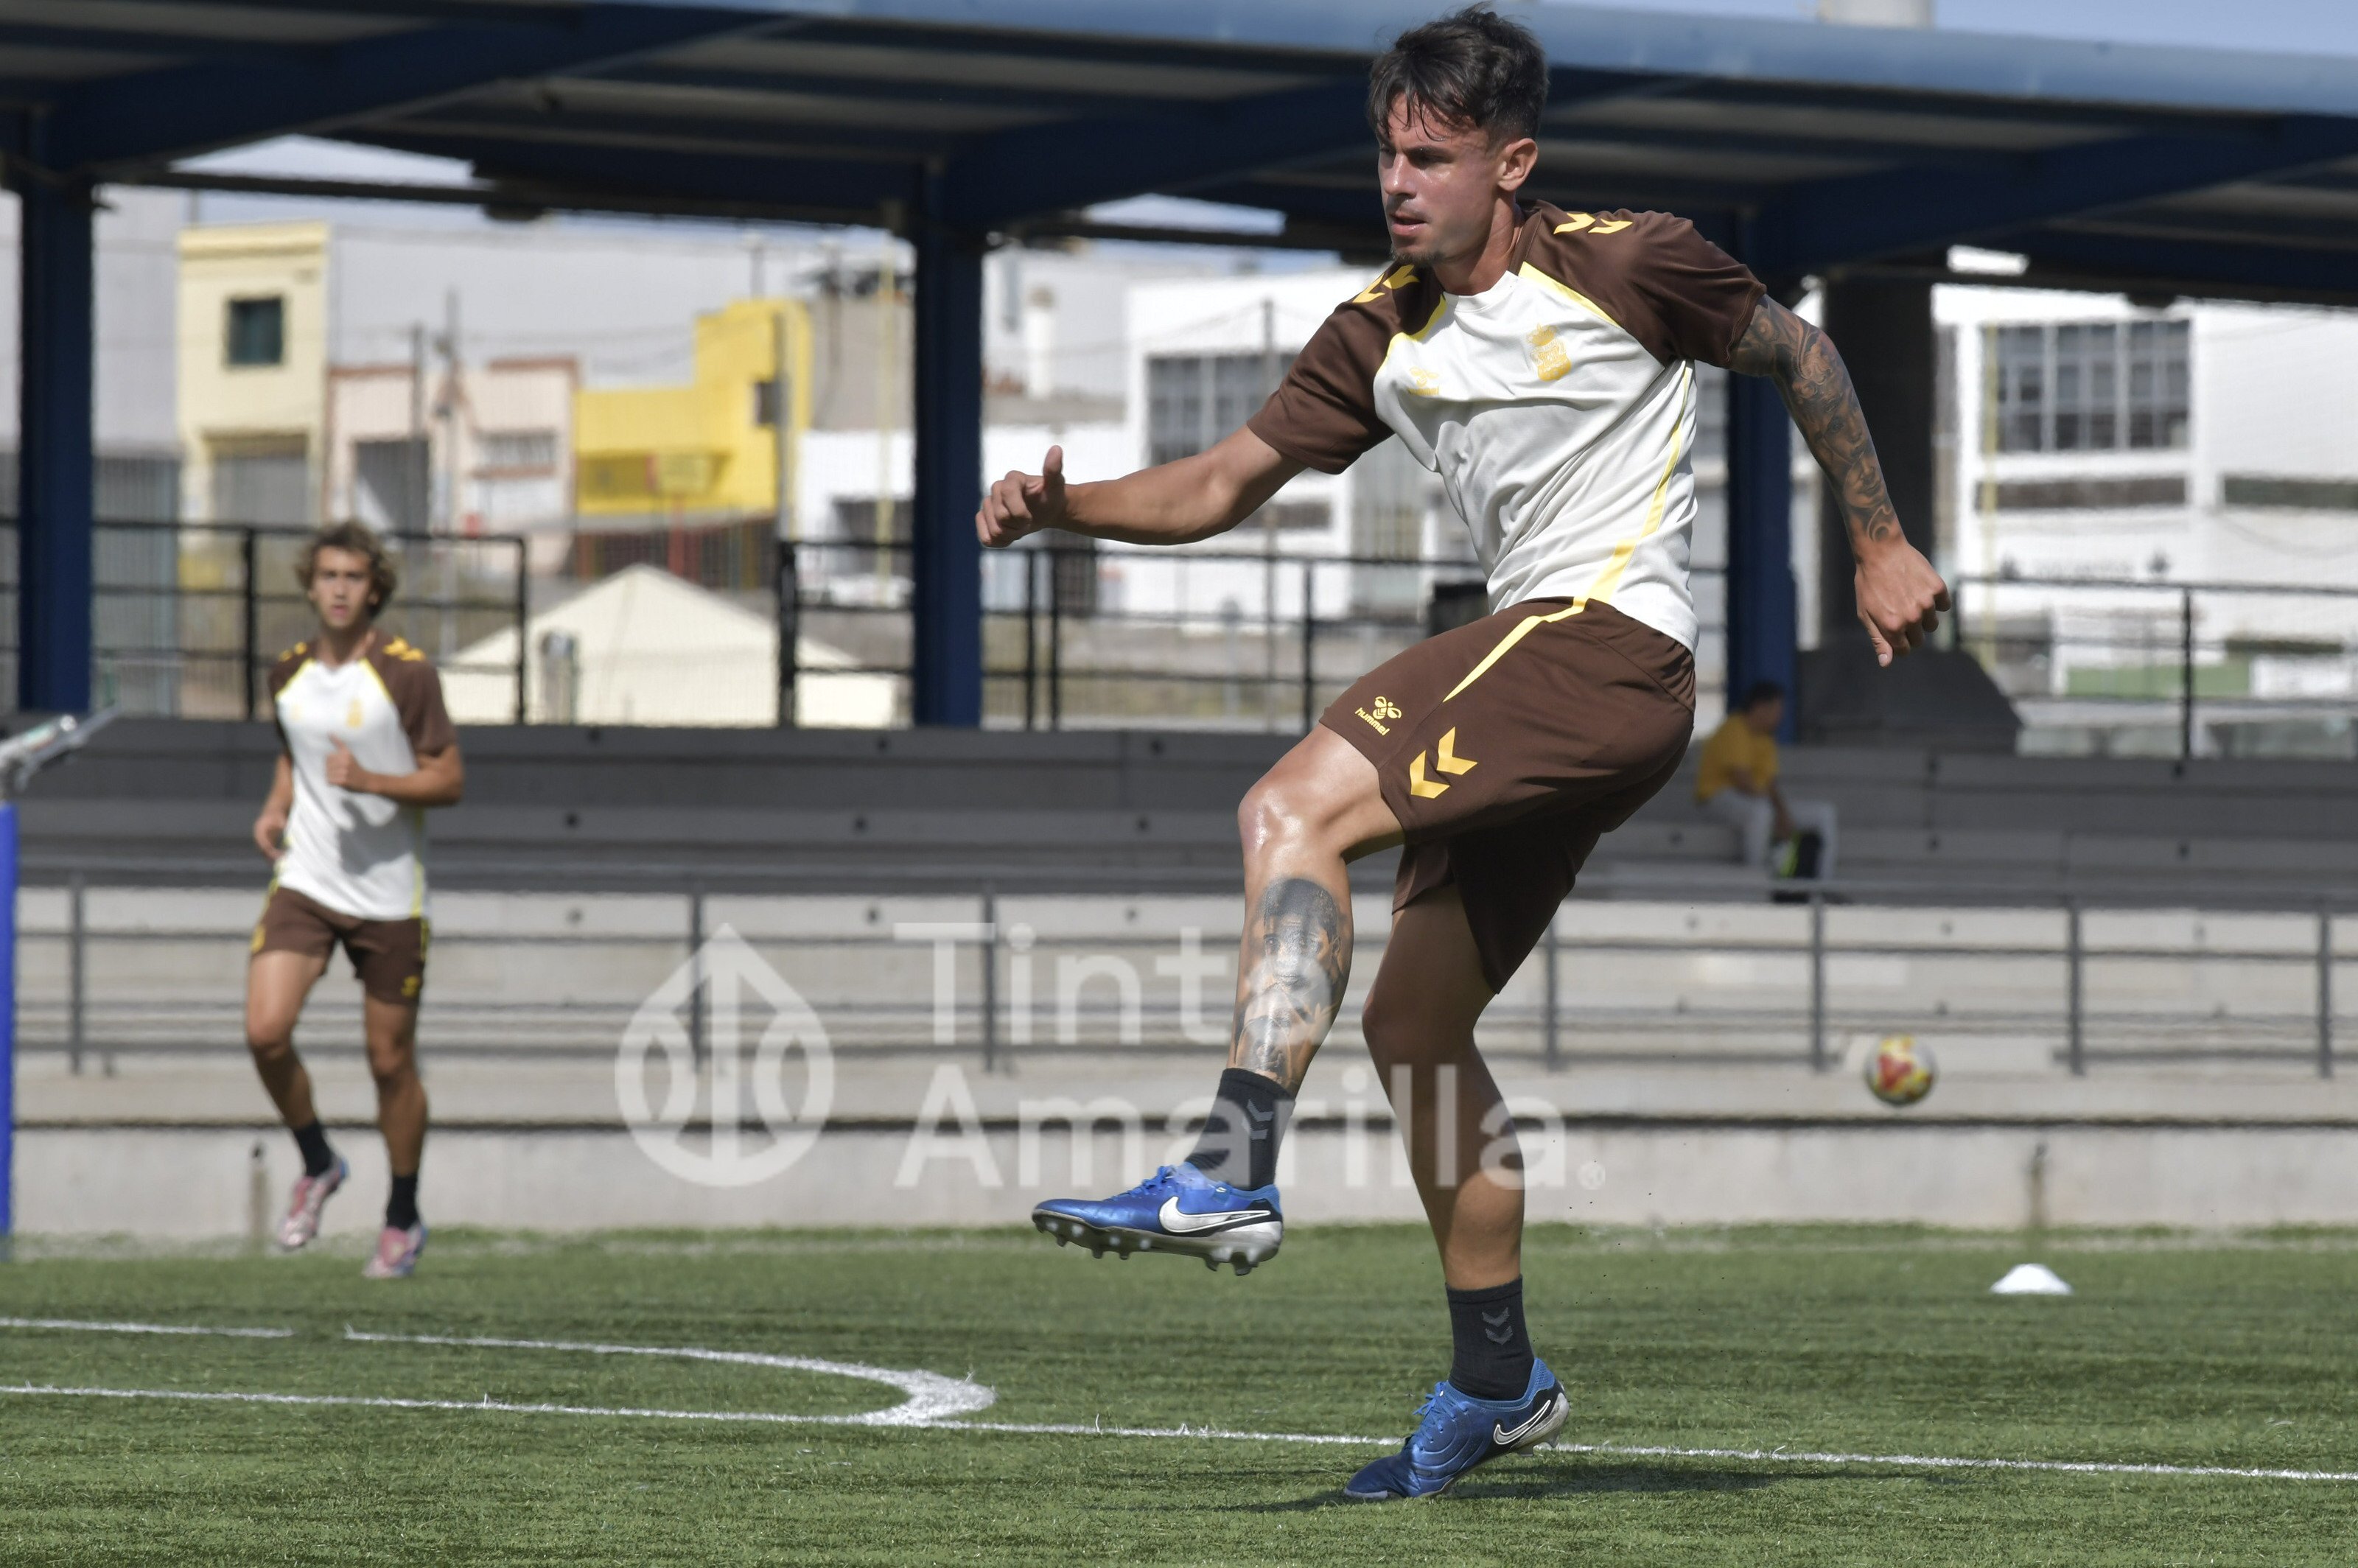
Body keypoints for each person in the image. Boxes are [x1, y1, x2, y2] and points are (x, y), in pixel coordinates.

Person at [977, 7, 1945, 1501]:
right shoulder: (1380, 329)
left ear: (1515, 164)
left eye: (1430, 156)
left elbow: (1802, 354)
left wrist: (1877, 544)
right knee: (1414, 1030)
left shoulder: (1627, 259)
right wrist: (1068, 507)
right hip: (1550, 684)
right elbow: (1223, 479)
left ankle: (1232, 1163)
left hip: (1603, 643)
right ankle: (1497, 1372)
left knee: (1288, 802)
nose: (1398, 181)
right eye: (1386, 151)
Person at [247, 521, 463, 1280]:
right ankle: (319, 1161)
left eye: (354, 577)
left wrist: (372, 780)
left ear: (375, 588)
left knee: (388, 1061)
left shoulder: (406, 675)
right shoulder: (288, 672)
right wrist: (276, 808)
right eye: (328, 575)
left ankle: (402, 1216)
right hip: (307, 878)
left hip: (388, 893)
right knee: (265, 1030)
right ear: (310, 584)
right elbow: (295, 750)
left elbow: (449, 778)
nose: (340, 588)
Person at [1696, 680, 1839, 881]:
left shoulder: (1766, 738)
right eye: (1777, 708)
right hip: (1717, 800)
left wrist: (1783, 813)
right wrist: (1779, 814)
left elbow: (1770, 784)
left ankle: (1824, 886)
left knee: (1824, 813)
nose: (1780, 715)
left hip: (1757, 801)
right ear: (1760, 707)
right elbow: (1742, 781)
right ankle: (1757, 882)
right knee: (1761, 812)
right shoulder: (1734, 727)